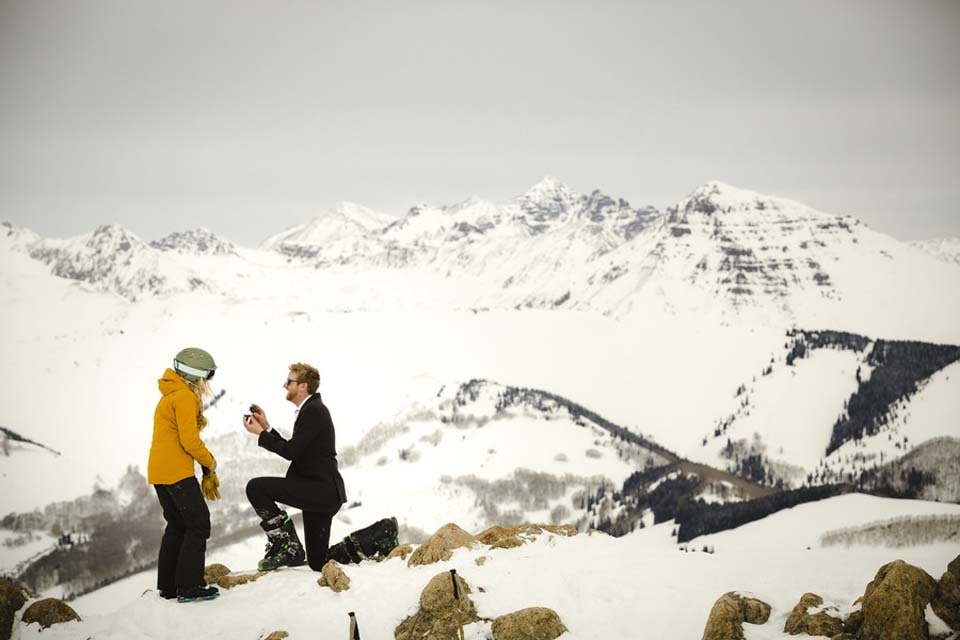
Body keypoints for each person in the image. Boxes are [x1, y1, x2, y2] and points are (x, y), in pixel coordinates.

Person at [243, 362, 347, 571]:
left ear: (303, 386)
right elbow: (296, 449)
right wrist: (266, 427)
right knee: (318, 562)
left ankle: (287, 545)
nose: (284, 385)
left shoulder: (313, 410)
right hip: (321, 493)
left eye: (289, 381)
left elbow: (291, 452)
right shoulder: (311, 409)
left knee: (256, 487)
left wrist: (261, 435)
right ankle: (370, 539)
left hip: (318, 490)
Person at [148, 347, 222, 603]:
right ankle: (189, 586)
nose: (207, 384)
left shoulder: (169, 395)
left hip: (159, 472)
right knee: (199, 523)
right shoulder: (184, 398)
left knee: (177, 525)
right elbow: (189, 441)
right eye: (207, 377)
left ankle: (169, 586)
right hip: (177, 472)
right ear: (197, 374)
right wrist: (210, 462)